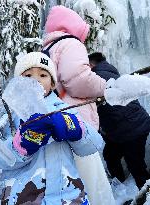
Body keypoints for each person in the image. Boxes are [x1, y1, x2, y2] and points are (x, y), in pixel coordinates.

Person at [0, 52, 103, 204]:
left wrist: (75, 129)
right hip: (24, 197)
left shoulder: (63, 110)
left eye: (43, 75)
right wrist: (21, 145)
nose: (36, 80)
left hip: (68, 195)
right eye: (28, 75)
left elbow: (95, 145)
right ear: (18, 82)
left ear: (53, 84)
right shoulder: (9, 115)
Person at [42, 5, 115, 204]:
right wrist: (108, 87)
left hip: (60, 127)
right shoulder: (70, 43)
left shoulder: (49, 48)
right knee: (93, 187)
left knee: (73, 187)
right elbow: (78, 81)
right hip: (76, 126)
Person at [88, 52, 150, 189]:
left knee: (135, 164)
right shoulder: (110, 73)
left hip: (131, 129)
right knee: (111, 155)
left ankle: (145, 193)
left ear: (91, 65)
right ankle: (121, 188)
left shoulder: (97, 77)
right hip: (128, 126)